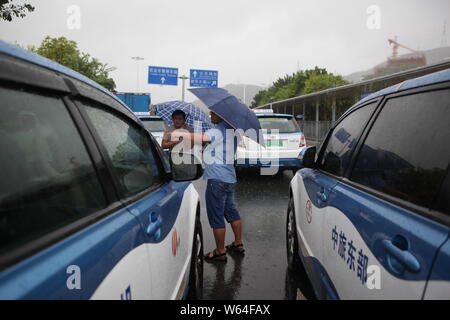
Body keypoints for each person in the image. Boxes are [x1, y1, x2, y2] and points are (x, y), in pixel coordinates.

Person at [169, 111, 244, 263]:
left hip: (217, 179)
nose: (211, 117)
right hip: (229, 178)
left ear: (221, 115)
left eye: (212, 114)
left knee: (216, 216)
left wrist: (183, 134)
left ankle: (220, 251)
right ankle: (238, 243)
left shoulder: (217, 130)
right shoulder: (233, 131)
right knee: (231, 211)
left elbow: (201, 138)